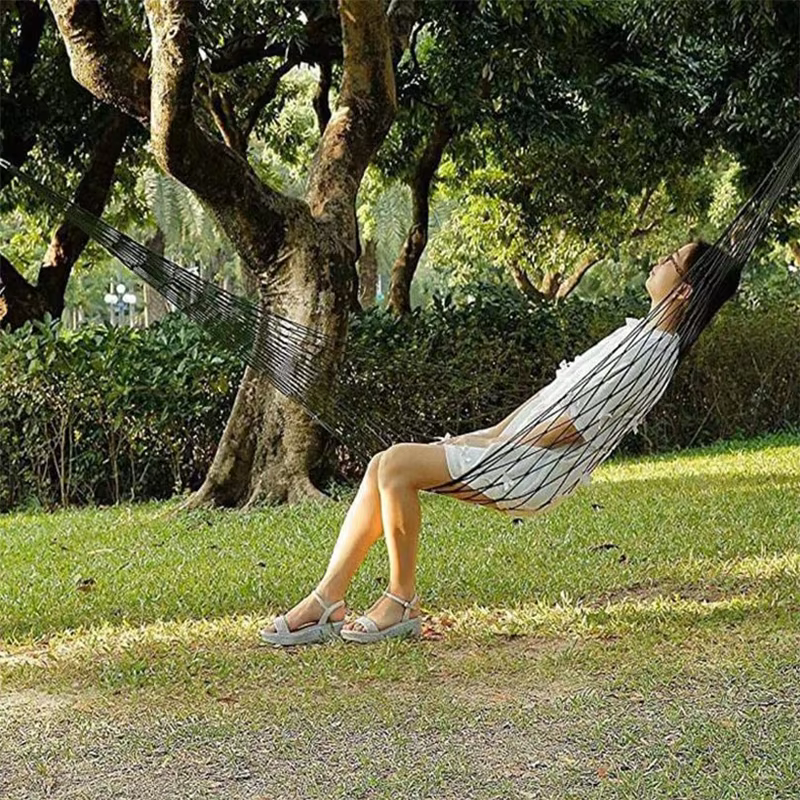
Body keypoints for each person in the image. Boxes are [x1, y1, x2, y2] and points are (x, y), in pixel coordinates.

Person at [260, 240, 733, 647]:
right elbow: (549, 400)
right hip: (521, 450)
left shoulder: (650, 353)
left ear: (684, 290)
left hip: (533, 466)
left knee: (398, 466)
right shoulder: (641, 337)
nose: (659, 262)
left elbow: (575, 426)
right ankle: (327, 600)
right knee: (382, 463)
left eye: (672, 260)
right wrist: (487, 435)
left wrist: (502, 445)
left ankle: (401, 601)